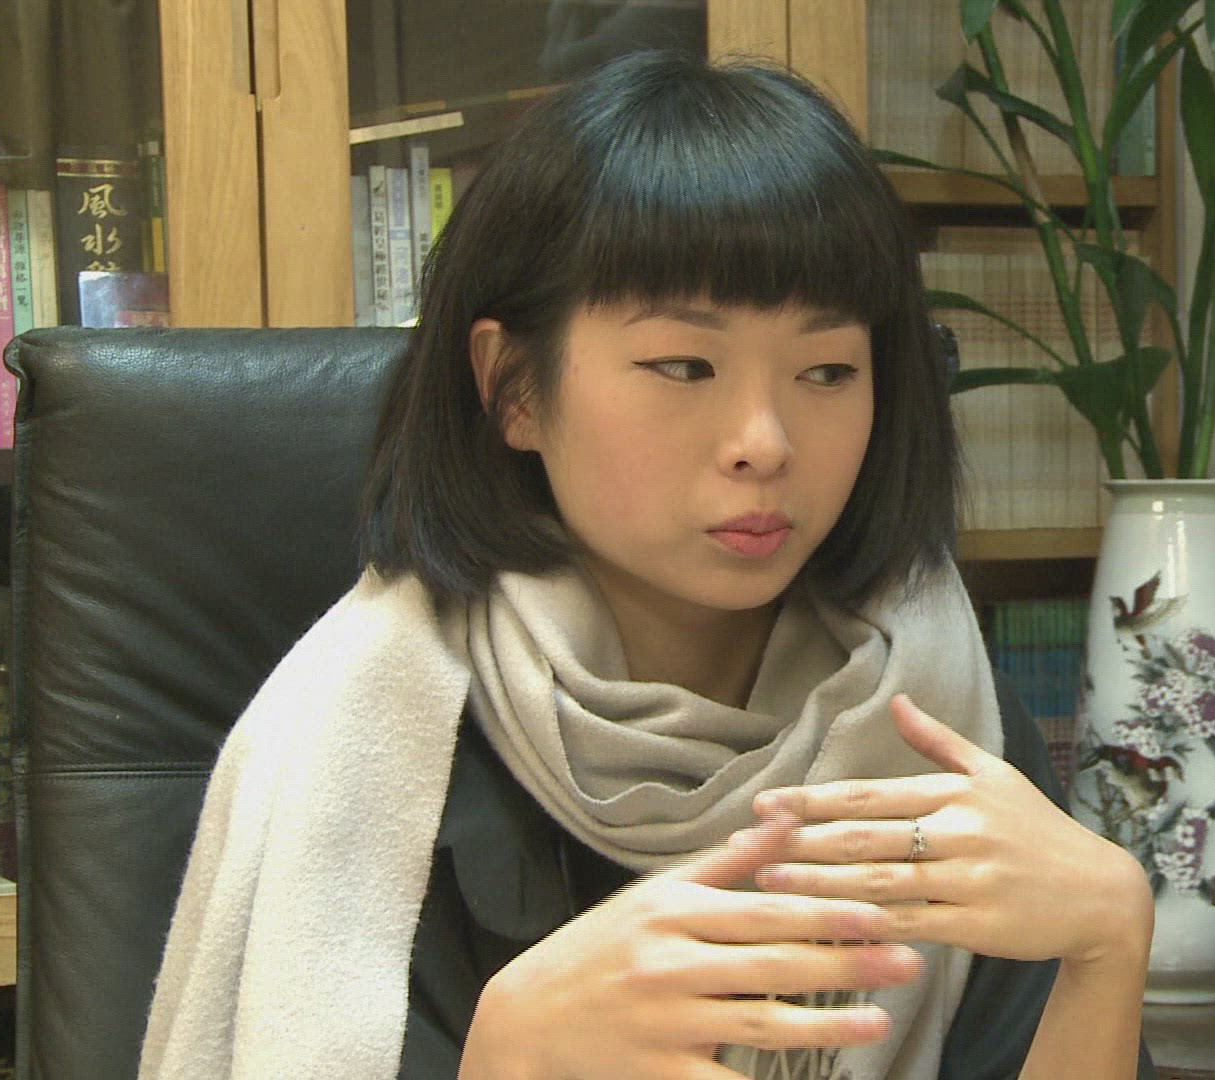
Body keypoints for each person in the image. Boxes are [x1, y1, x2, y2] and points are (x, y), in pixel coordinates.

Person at [137, 50, 1156, 1080]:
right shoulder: (367, 744)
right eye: (684, 365)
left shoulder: (932, 707)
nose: (764, 442)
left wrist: (1111, 942)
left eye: (827, 371)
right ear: (514, 387)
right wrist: (507, 1058)